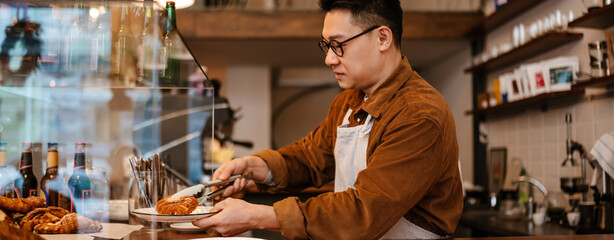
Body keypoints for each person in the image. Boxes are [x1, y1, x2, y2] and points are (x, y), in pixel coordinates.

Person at [193, 0, 463, 239]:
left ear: (382, 38)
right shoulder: (349, 101)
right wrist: (256, 166)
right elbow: (311, 159)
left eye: (338, 45)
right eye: (326, 45)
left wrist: (258, 217)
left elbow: (362, 214)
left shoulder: (419, 114)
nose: (329, 58)